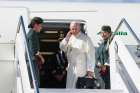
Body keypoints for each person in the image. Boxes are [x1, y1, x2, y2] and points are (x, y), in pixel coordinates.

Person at [60, 21, 95, 88]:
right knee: (70, 87)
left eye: (76, 28)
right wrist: (66, 38)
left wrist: (90, 70)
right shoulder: (69, 38)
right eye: (72, 29)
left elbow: (91, 55)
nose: (74, 30)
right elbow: (62, 47)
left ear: (79, 28)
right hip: (71, 68)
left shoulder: (86, 38)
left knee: (79, 88)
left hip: (81, 68)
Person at [27, 17, 45, 87]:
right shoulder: (33, 34)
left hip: (31, 61)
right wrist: (42, 58)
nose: (41, 27)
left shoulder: (30, 33)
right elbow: (34, 50)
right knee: (35, 84)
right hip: (32, 62)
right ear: (35, 25)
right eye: (40, 25)